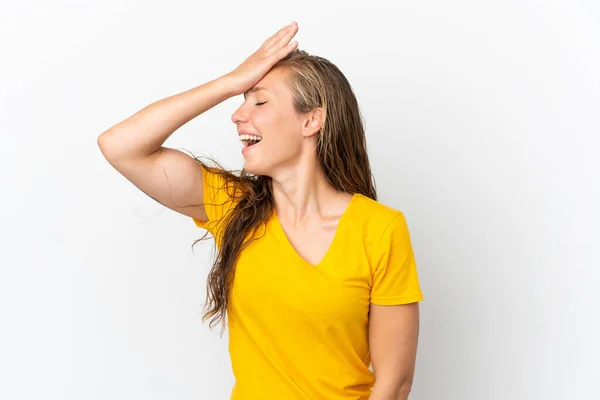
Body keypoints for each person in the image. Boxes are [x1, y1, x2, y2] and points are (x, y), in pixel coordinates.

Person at [98, 20, 423, 400]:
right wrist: (230, 82)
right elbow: (120, 146)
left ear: (311, 120)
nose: (238, 114)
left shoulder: (380, 229)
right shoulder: (232, 207)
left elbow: (394, 383)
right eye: (241, 100)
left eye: (260, 101)